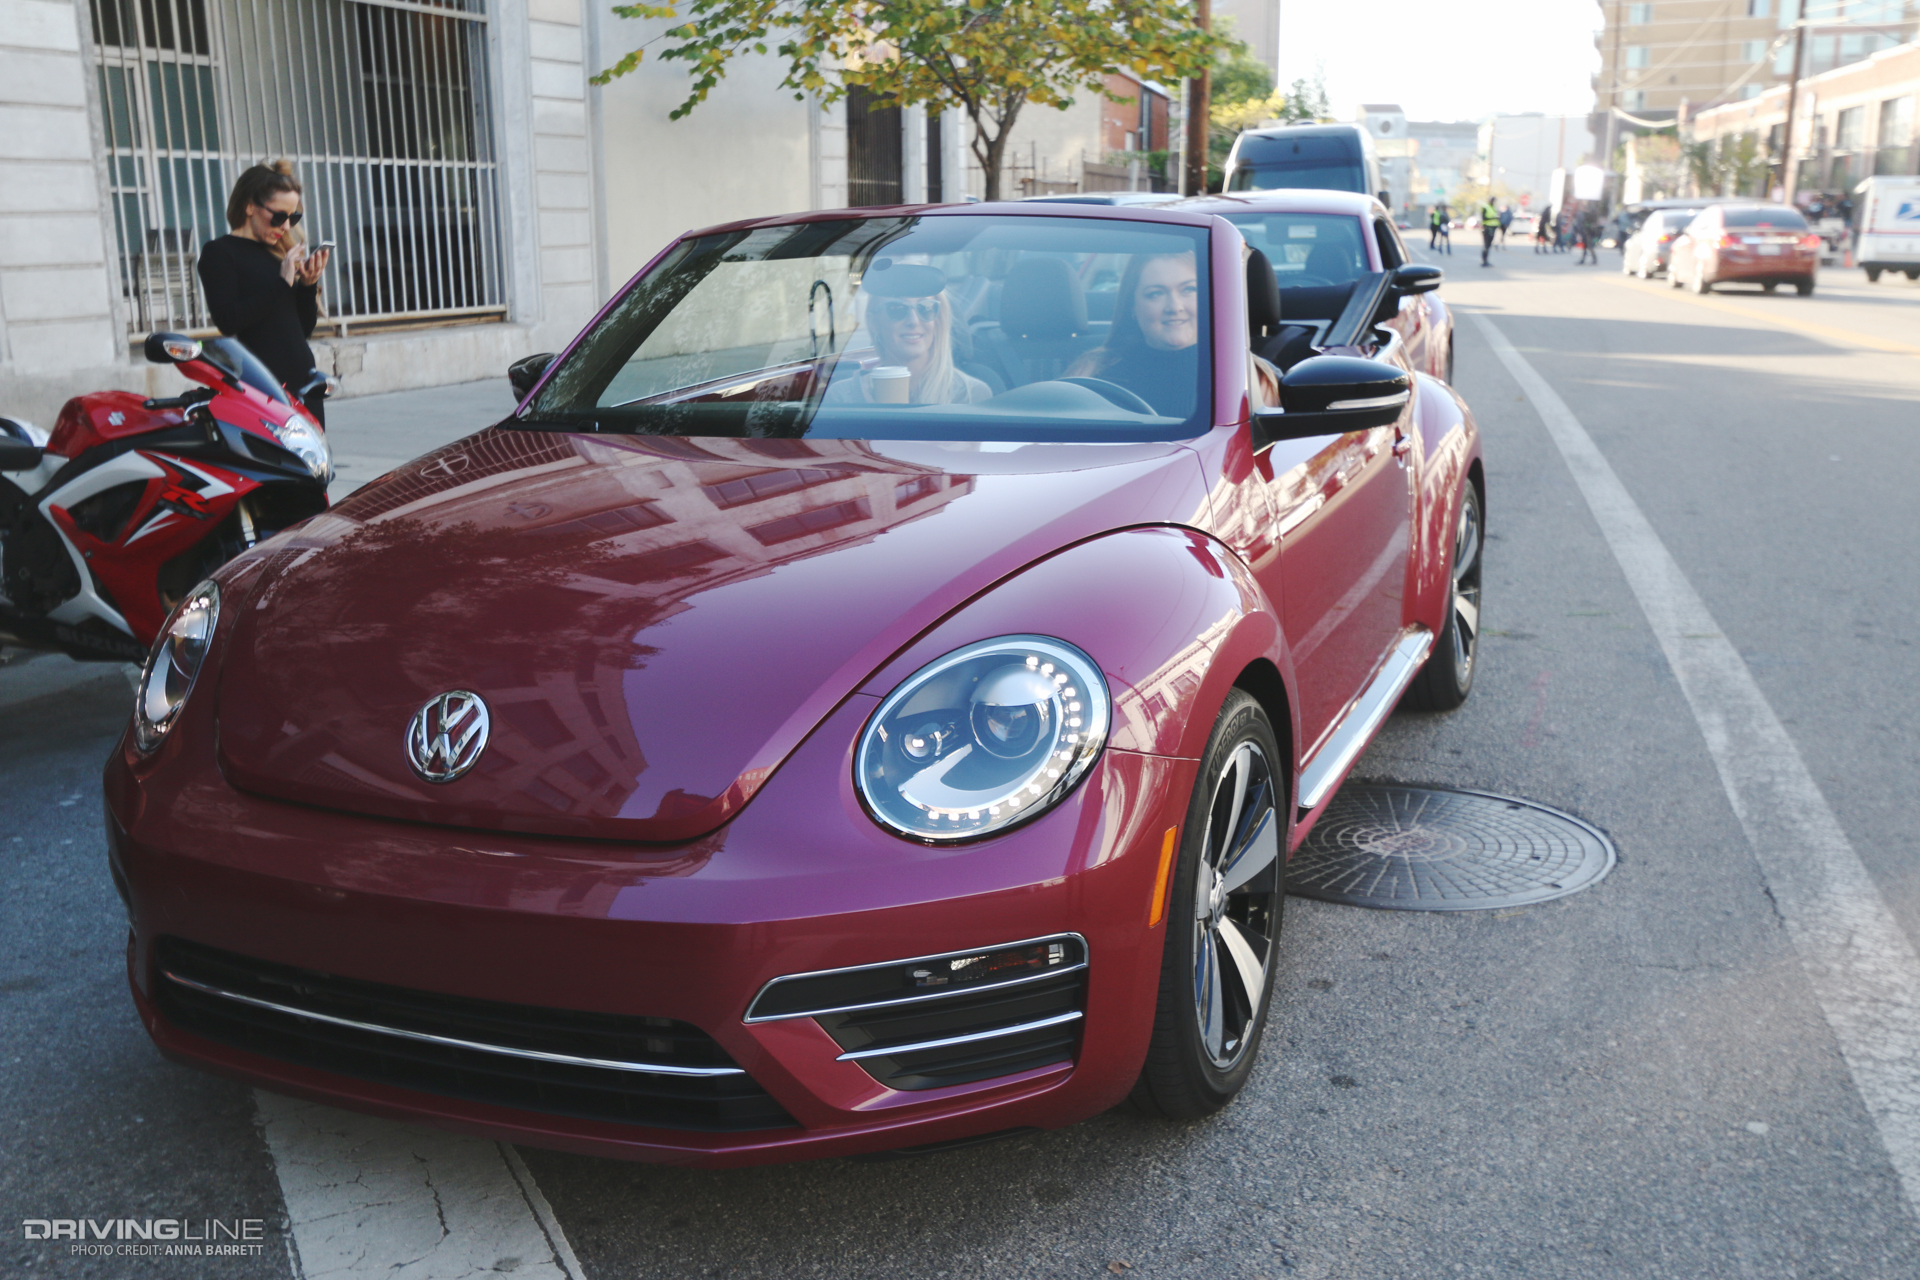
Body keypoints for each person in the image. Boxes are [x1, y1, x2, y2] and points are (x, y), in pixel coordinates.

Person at [197, 161, 330, 423]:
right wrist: (281, 284)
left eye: (294, 218)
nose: (286, 226)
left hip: (304, 382)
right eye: (279, 216)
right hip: (263, 385)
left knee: (316, 464)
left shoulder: (279, 253)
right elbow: (228, 321)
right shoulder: (220, 253)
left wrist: (307, 285)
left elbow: (303, 329)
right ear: (249, 207)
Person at [827, 262, 991, 406]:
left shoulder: (970, 395)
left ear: (938, 320)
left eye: (926, 308)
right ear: (874, 321)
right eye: (897, 309)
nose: (913, 321)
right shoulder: (842, 397)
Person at [1066, 250, 1204, 417]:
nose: (1174, 307)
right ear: (1132, 307)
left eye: (1189, 289)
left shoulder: (1238, 371)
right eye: (1156, 294)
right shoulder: (1094, 370)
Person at [1479, 198, 1500, 267]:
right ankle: (1484, 261)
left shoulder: (1493, 208)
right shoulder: (1486, 207)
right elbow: (1484, 218)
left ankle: (1486, 260)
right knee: (1486, 245)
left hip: (1493, 228)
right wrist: (1493, 218)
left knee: (1488, 246)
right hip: (1487, 228)